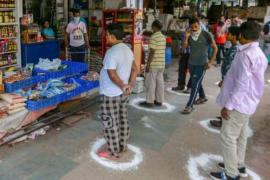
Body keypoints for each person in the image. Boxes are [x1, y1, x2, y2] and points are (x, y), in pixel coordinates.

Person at [210, 21, 268, 180]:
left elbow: (242, 85)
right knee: (241, 135)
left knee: (228, 136)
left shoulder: (245, 55)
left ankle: (231, 174)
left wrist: (228, 106)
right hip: (249, 103)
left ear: (242, 35)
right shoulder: (258, 53)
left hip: (239, 104)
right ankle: (238, 164)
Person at [98, 23, 138, 159]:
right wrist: (130, 85)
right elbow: (135, 69)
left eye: (107, 35)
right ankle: (123, 145)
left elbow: (112, 75)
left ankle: (113, 151)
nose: (106, 38)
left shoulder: (111, 52)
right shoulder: (128, 49)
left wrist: (122, 85)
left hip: (111, 93)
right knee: (122, 118)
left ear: (113, 36)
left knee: (110, 121)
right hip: (123, 93)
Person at [181, 18, 218, 114]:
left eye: (196, 26)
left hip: (202, 64)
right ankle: (202, 97)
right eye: (192, 27)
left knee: (194, 84)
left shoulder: (206, 34)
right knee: (196, 81)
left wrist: (210, 62)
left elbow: (215, 48)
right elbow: (184, 48)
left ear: (199, 25)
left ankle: (189, 105)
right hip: (191, 63)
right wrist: (186, 37)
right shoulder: (188, 35)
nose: (194, 29)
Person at [210, 26, 240, 128]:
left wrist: (225, 80)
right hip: (228, 79)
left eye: (229, 33)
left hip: (230, 81)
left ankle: (225, 122)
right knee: (226, 98)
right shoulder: (233, 47)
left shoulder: (235, 49)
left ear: (234, 36)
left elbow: (231, 68)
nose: (226, 35)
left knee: (228, 99)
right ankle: (223, 118)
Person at [142, 20, 166, 107]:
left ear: (155, 27)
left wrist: (148, 64)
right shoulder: (163, 37)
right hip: (161, 64)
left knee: (151, 82)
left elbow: (152, 51)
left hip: (154, 64)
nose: (152, 28)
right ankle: (159, 100)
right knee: (160, 82)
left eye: (152, 26)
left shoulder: (153, 37)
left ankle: (150, 101)